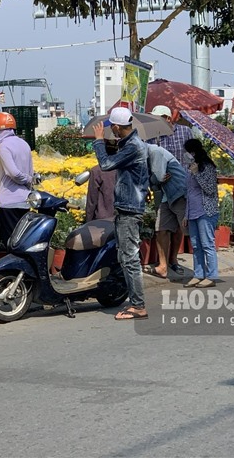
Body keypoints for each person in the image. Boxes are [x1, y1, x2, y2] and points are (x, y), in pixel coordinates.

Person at [93, 106, 150, 321]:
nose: (111, 131)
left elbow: (106, 164)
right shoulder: (130, 144)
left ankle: (138, 305)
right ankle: (128, 297)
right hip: (128, 205)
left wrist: (99, 141)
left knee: (129, 257)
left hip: (129, 207)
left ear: (117, 126)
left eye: (112, 128)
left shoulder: (133, 147)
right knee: (124, 255)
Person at [148, 104, 192, 272]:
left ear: (167, 118)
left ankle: (173, 259)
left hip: (181, 187)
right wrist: (155, 178)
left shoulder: (184, 132)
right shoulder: (152, 137)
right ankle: (163, 263)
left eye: (158, 118)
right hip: (162, 187)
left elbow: (191, 156)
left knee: (180, 226)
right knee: (161, 227)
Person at [141, 142, 188, 279]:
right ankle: (163, 267)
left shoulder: (156, 152)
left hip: (178, 193)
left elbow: (159, 177)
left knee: (185, 228)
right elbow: (156, 179)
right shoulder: (146, 156)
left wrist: (154, 179)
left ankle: (177, 261)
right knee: (161, 228)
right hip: (165, 196)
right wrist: (154, 179)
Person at [0, 112, 34, 248]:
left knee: (12, 244)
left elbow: (13, 172)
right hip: (25, 200)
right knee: (23, 242)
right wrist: (29, 181)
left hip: (9, 202)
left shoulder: (3, 146)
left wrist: (26, 179)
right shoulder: (24, 144)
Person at [182, 138, 220, 287]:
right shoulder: (190, 169)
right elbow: (189, 192)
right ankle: (198, 274)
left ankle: (211, 276)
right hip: (193, 211)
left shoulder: (208, 167)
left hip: (206, 211)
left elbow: (210, 189)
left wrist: (198, 173)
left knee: (207, 244)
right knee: (196, 245)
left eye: (187, 152)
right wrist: (186, 214)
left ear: (193, 152)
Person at [85, 121, 117, 223]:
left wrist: (88, 221)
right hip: (123, 219)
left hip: (102, 220)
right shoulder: (127, 166)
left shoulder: (97, 170)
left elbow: (92, 199)